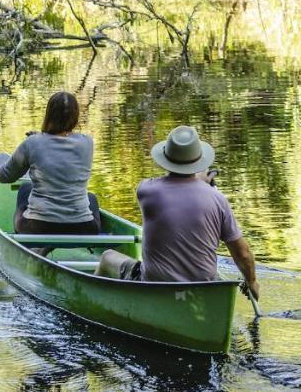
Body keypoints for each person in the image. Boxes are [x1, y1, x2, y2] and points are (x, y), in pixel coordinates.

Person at [98, 125, 259, 298]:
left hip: (155, 285)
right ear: (198, 162)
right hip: (204, 288)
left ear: (166, 159)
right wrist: (251, 282)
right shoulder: (218, 199)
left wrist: (200, 181)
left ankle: (96, 302)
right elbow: (242, 253)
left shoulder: (147, 190)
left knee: (107, 257)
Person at [0, 91, 101, 235]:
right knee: (90, 197)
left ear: (49, 115)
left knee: (25, 188)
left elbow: (7, 176)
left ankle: (32, 245)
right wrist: (40, 137)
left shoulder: (33, 143)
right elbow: (60, 144)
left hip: (37, 226)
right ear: (75, 117)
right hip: (84, 227)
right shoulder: (87, 143)